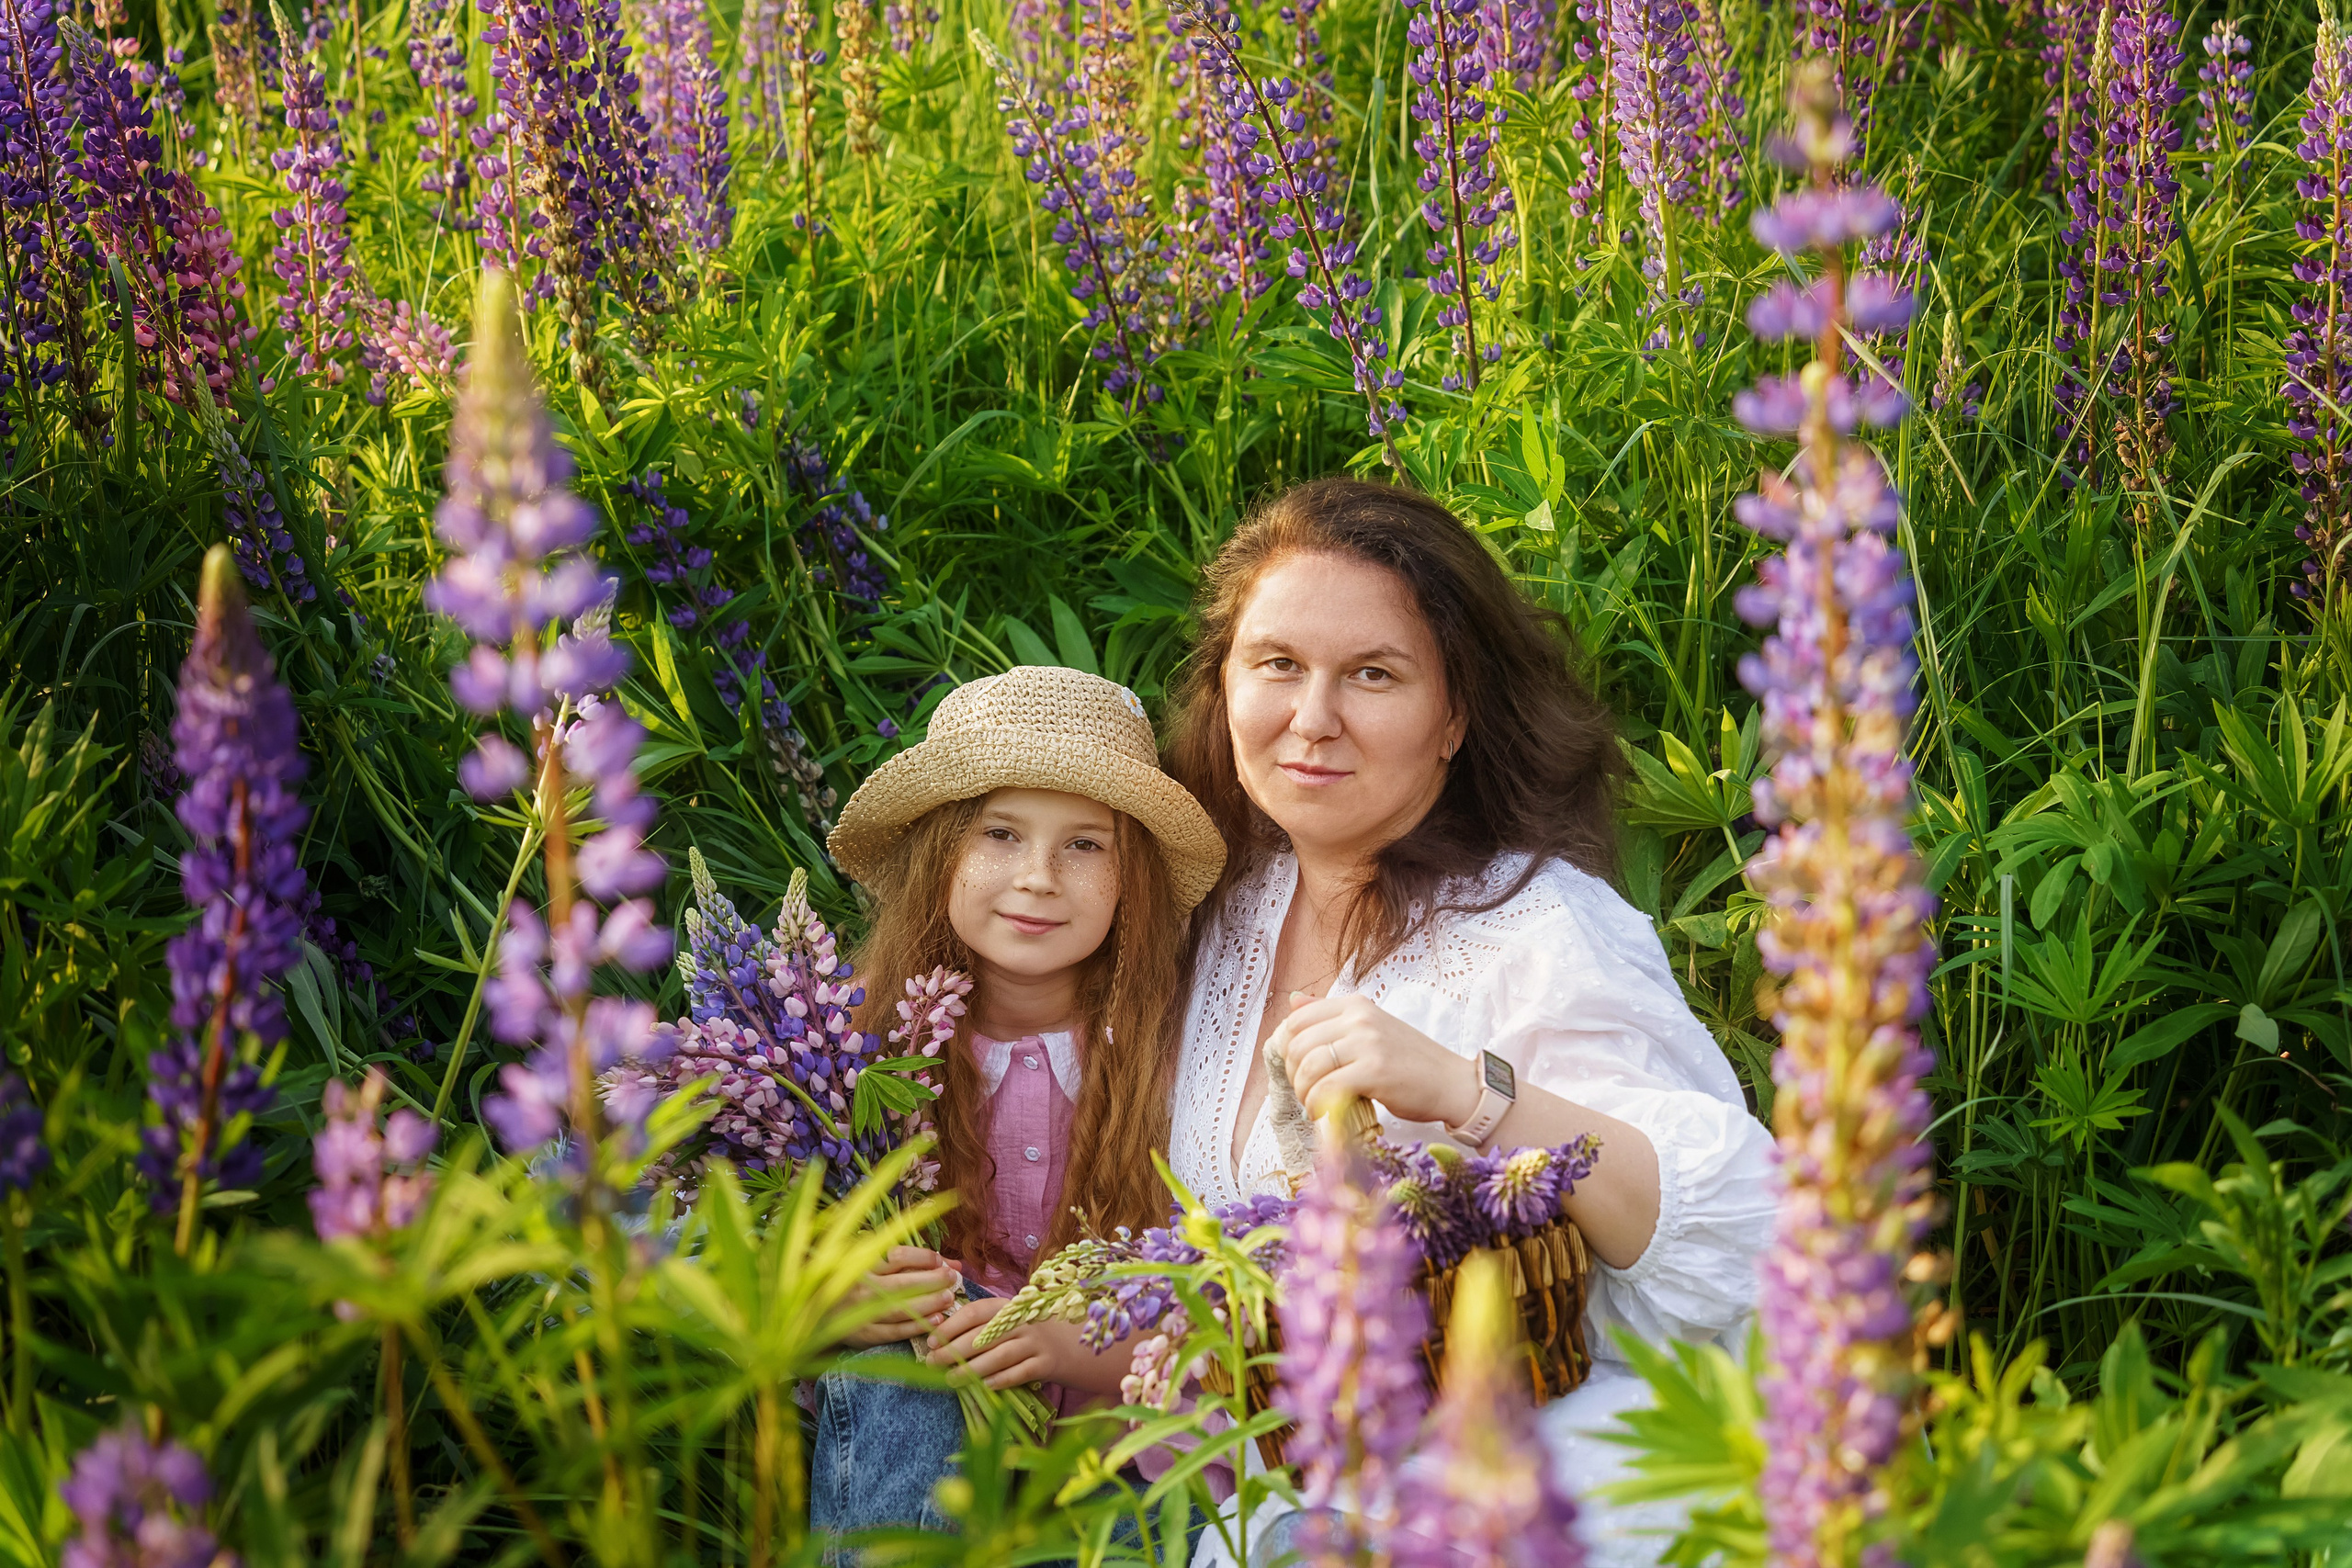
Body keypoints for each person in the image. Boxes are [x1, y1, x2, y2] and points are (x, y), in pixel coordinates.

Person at [1161, 478, 1777, 1568]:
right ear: (1223, 683)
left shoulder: (1537, 923)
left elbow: (1735, 1239)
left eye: (1373, 675)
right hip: (1269, 1485)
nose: (1313, 718)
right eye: (1276, 665)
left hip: (1535, 1472)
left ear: (1453, 718)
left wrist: (1468, 1091)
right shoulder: (1219, 906)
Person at [808, 665, 1227, 1548]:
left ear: (1131, 879)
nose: (1037, 877)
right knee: (891, 1366)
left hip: (1117, 1446)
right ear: (942, 854)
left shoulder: (1176, 1047)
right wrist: (840, 1294)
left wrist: (1085, 1347)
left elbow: (1221, 1285)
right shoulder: (855, 1040)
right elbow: (776, 1228)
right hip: (927, 1438)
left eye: (1085, 845)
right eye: (1001, 833)